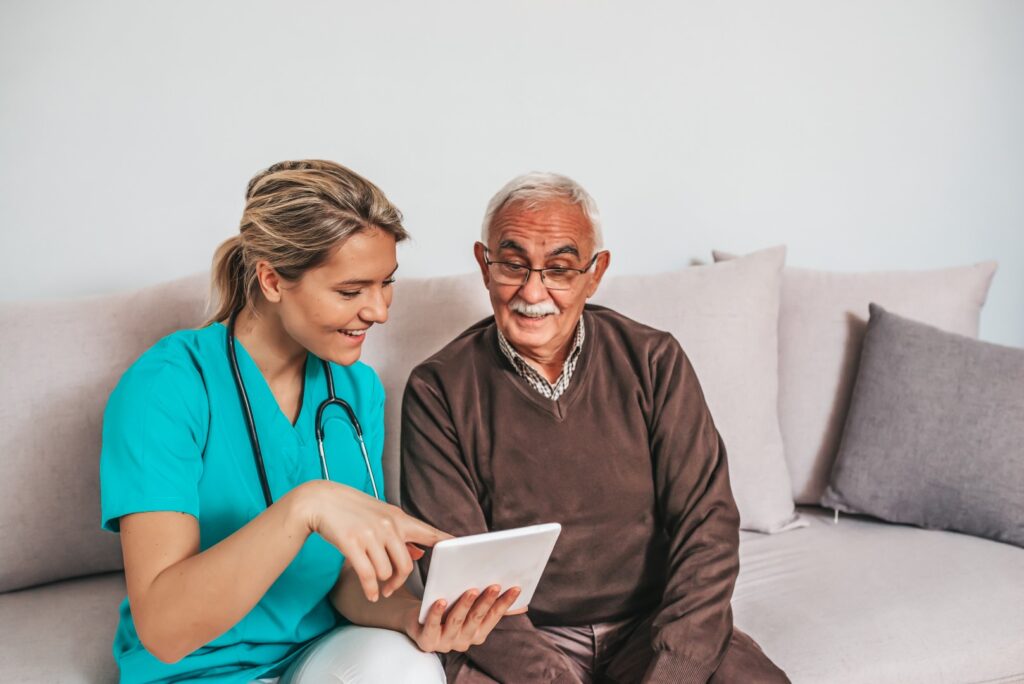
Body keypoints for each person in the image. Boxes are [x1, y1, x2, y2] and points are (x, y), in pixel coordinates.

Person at [99, 160, 521, 684]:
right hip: (196, 669)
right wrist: (305, 507)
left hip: (319, 651)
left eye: (386, 283)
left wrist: (413, 618)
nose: (379, 311)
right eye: (351, 291)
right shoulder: (166, 388)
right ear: (272, 279)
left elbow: (347, 576)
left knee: (406, 669)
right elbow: (164, 629)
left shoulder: (354, 388)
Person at [400, 172, 790, 683]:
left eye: (559, 269)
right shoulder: (437, 389)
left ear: (595, 273)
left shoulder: (653, 360)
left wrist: (674, 669)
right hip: (521, 639)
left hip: (651, 625)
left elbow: (708, 527)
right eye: (513, 265)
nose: (532, 290)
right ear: (484, 264)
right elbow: (459, 575)